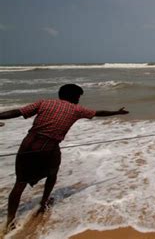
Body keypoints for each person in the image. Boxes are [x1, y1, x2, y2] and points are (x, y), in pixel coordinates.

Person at [0, 84, 129, 232]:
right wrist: (116, 112)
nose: (79, 100)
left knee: (20, 182)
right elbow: (98, 113)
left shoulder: (44, 102)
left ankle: (10, 220)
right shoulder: (76, 109)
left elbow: (17, 112)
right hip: (49, 146)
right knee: (52, 173)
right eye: (78, 96)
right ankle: (43, 202)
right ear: (74, 96)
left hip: (28, 144)